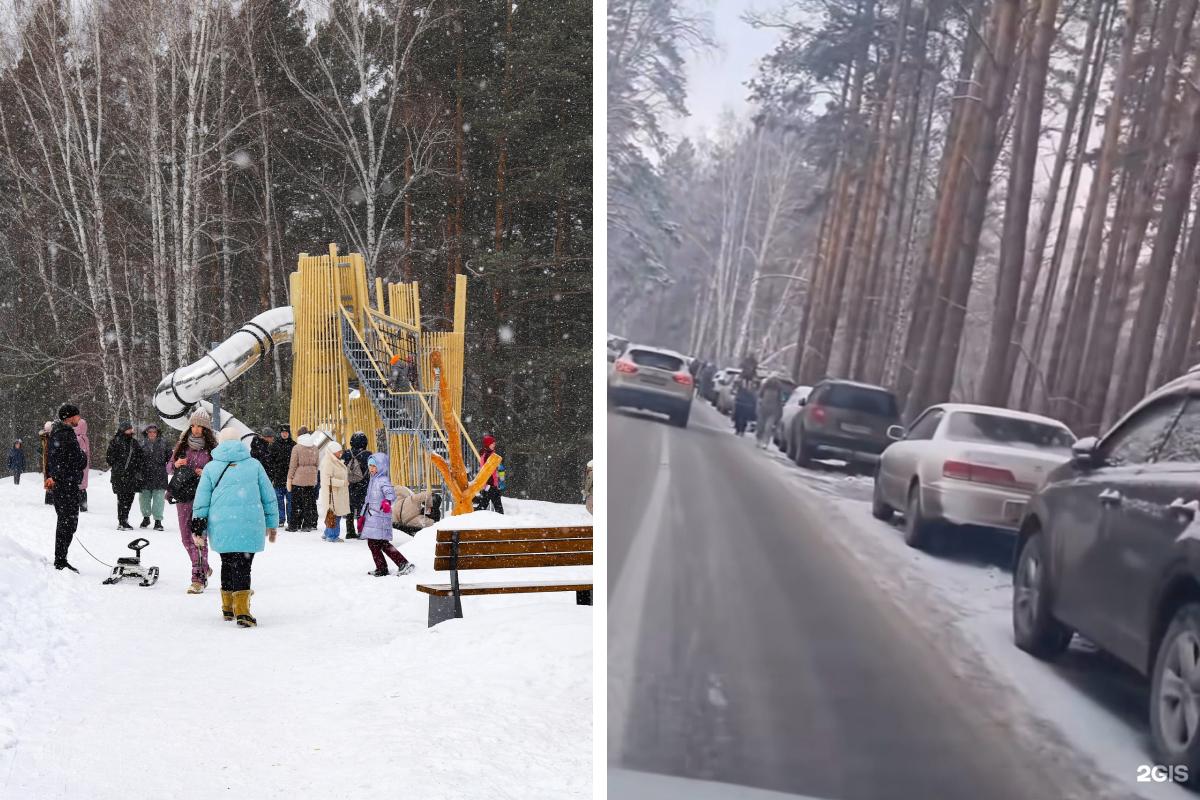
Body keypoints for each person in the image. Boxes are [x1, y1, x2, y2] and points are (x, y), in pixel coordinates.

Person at [191, 426, 279, 627]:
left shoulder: (212, 467)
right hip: (250, 522)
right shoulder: (254, 465)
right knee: (244, 564)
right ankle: (243, 612)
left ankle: (228, 607)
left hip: (221, 523)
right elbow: (269, 497)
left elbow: (201, 500)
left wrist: (198, 526)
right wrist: (272, 524)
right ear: (240, 442)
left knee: (227, 561)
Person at [169, 409, 217, 594]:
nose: (196, 430)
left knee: (199, 537)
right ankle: (203, 566)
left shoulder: (213, 449)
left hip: (203, 498)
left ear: (206, 429)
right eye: (194, 426)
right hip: (182, 496)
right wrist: (176, 464)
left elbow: (219, 471)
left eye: (200, 426)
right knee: (185, 538)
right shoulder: (181, 446)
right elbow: (169, 466)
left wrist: (206, 472)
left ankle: (198, 578)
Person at [45, 403, 87, 572]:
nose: (79, 418)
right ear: (69, 417)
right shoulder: (65, 434)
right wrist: (82, 456)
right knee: (67, 522)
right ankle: (60, 560)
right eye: (77, 415)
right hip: (65, 485)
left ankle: (61, 558)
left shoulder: (61, 433)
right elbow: (76, 460)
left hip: (65, 484)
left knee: (68, 522)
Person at [361, 454, 415, 576]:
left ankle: (396, 565)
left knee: (377, 543)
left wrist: (386, 501)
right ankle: (388, 566)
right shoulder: (373, 480)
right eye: (370, 466)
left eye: (374, 466)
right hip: (372, 517)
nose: (371, 469)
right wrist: (362, 516)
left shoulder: (383, 480)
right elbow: (368, 500)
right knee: (379, 544)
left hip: (380, 517)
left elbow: (391, 495)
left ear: (381, 466)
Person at [105, 421, 146, 530]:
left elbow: (140, 457)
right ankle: (122, 521)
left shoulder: (134, 442)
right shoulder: (115, 441)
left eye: (131, 428)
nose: (131, 430)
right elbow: (109, 458)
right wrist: (119, 466)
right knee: (122, 498)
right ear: (123, 429)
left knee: (129, 498)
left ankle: (125, 519)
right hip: (119, 475)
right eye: (129, 429)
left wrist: (136, 466)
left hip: (131, 476)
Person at [287, 428, 319, 531]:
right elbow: (317, 464)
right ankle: (307, 525)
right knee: (308, 503)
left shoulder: (297, 448)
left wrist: (289, 478)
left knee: (296, 503)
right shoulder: (315, 448)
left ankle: (294, 525)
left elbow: (293, 465)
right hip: (311, 479)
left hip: (299, 479)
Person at [139, 424, 170, 530]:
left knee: (159, 500)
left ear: (157, 433)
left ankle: (158, 521)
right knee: (144, 499)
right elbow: (136, 459)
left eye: (154, 432)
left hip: (160, 475)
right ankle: (146, 518)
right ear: (146, 433)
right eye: (150, 432)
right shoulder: (141, 443)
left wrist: (169, 468)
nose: (152, 434)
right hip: (144, 475)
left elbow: (170, 459)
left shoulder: (164, 443)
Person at [319, 441, 349, 542]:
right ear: (333, 451)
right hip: (332, 494)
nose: (341, 453)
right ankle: (332, 536)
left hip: (336, 493)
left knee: (332, 514)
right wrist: (342, 482)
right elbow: (327, 479)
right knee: (334, 515)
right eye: (339, 451)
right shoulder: (329, 462)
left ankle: (328, 533)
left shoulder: (333, 460)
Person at [267, 424, 295, 529]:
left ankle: (291, 520)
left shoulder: (293, 445)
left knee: (290, 501)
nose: (284, 434)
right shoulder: (274, 445)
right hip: (278, 477)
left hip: (289, 478)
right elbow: (270, 461)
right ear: (280, 433)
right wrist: (273, 473)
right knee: (279, 501)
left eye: (286, 432)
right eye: (283, 432)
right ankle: (280, 519)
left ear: (289, 433)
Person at [343, 431, 371, 539]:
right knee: (361, 509)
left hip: (349, 485)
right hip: (363, 485)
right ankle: (361, 531)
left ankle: (350, 531)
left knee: (349, 509)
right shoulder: (368, 455)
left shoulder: (346, 453)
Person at [756, 374, 786, 450]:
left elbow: (780, 400)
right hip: (764, 409)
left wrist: (779, 409)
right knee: (761, 426)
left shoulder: (778, 390)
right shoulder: (765, 387)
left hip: (772, 411)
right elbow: (760, 396)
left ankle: (765, 442)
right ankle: (759, 439)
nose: (773, 382)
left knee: (768, 427)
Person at [476, 434, 504, 514]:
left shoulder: (492, 455)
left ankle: (473, 517)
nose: (494, 445)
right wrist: (487, 485)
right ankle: (502, 522)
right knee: (497, 507)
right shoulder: (486, 456)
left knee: (484, 505)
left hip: (492, 485)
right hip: (490, 485)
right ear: (488, 444)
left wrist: (500, 482)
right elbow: (485, 472)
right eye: (492, 443)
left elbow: (499, 469)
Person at [75, 417, 91, 511]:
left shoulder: (78, 438)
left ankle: (80, 505)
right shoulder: (85, 438)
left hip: (79, 465)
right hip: (84, 465)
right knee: (83, 486)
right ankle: (83, 505)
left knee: (79, 485)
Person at [39, 421, 53, 505]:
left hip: (49, 460)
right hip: (47, 460)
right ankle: (49, 499)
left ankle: (49, 498)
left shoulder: (48, 437)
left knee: (49, 477)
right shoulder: (45, 437)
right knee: (49, 477)